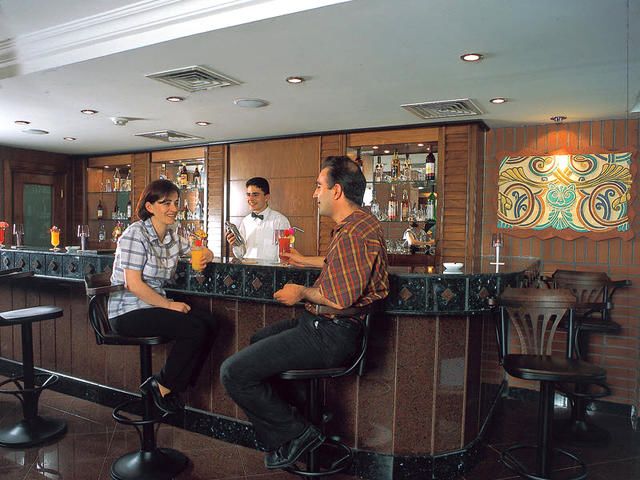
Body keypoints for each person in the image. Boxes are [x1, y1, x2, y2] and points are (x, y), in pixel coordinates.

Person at [221, 156, 389, 470]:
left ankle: (298, 434)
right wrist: (302, 259)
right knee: (258, 339)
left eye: (318, 186)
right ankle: (305, 416)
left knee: (233, 373)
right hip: (325, 326)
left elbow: (340, 298)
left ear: (336, 191)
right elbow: (339, 263)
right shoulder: (360, 224)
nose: (315, 193)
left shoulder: (354, 232)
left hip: (332, 332)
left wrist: (300, 292)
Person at [108, 179, 219, 414]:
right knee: (195, 328)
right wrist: (169, 305)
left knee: (210, 322)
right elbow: (133, 284)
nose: (173, 208)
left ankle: (168, 386)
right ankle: (163, 386)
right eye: (166, 203)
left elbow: (200, 249)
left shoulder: (172, 236)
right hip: (127, 311)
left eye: (176, 203)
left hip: (153, 307)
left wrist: (206, 254)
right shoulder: (134, 234)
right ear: (149, 207)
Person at [226, 177, 290, 263]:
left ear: (267, 197)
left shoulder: (280, 221)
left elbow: (285, 255)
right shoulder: (245, 221)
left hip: (270, 270)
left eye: (255, 195)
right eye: (248, 195)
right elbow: (240, 255)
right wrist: (235, 244)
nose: (250, 199)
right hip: (247, 268)